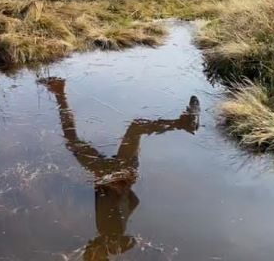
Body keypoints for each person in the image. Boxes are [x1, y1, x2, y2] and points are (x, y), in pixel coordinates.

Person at [39, 76, 200, 260]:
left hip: (118, 172)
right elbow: (128, 237)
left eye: (87, 252)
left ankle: (60, 92)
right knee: (126, 129)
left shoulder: (108, 233)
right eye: (90, 253)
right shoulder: (110, 236)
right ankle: (183, 123)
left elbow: (134, 203)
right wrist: (118, 189)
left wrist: (123, 189)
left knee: (83, 139)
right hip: (116, 173)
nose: (88, 248)